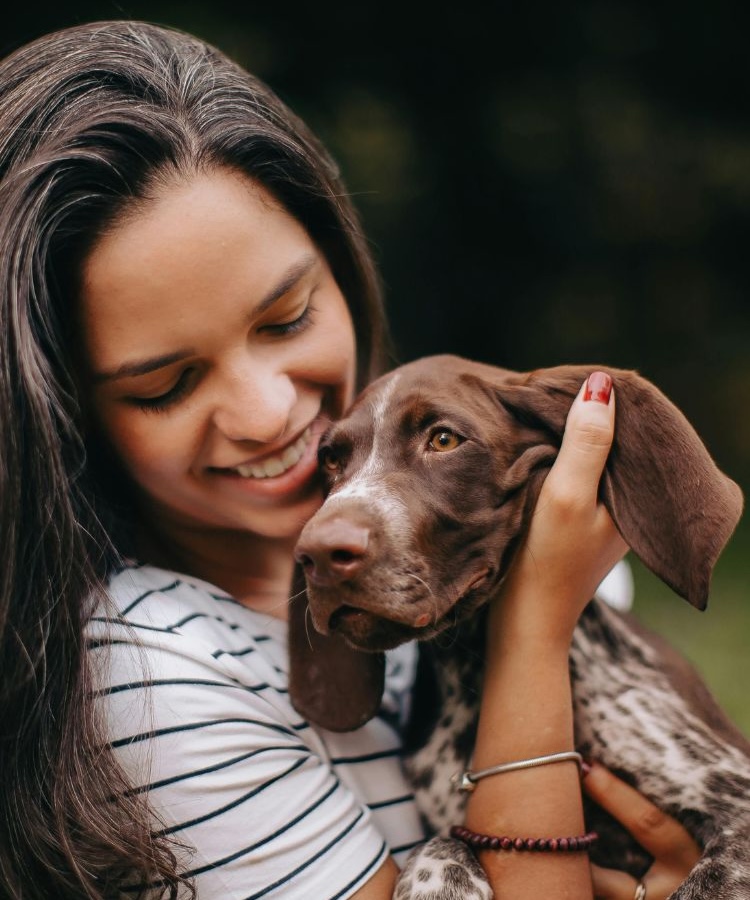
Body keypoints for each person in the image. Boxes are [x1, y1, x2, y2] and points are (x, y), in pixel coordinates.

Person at [0, 20, 700, 900]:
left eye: (287, 318)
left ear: (342, 265)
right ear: (62, 417)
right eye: (167, 384)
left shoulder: (483, 523)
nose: (267, 415)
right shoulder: (147, 679)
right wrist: (532, 625)